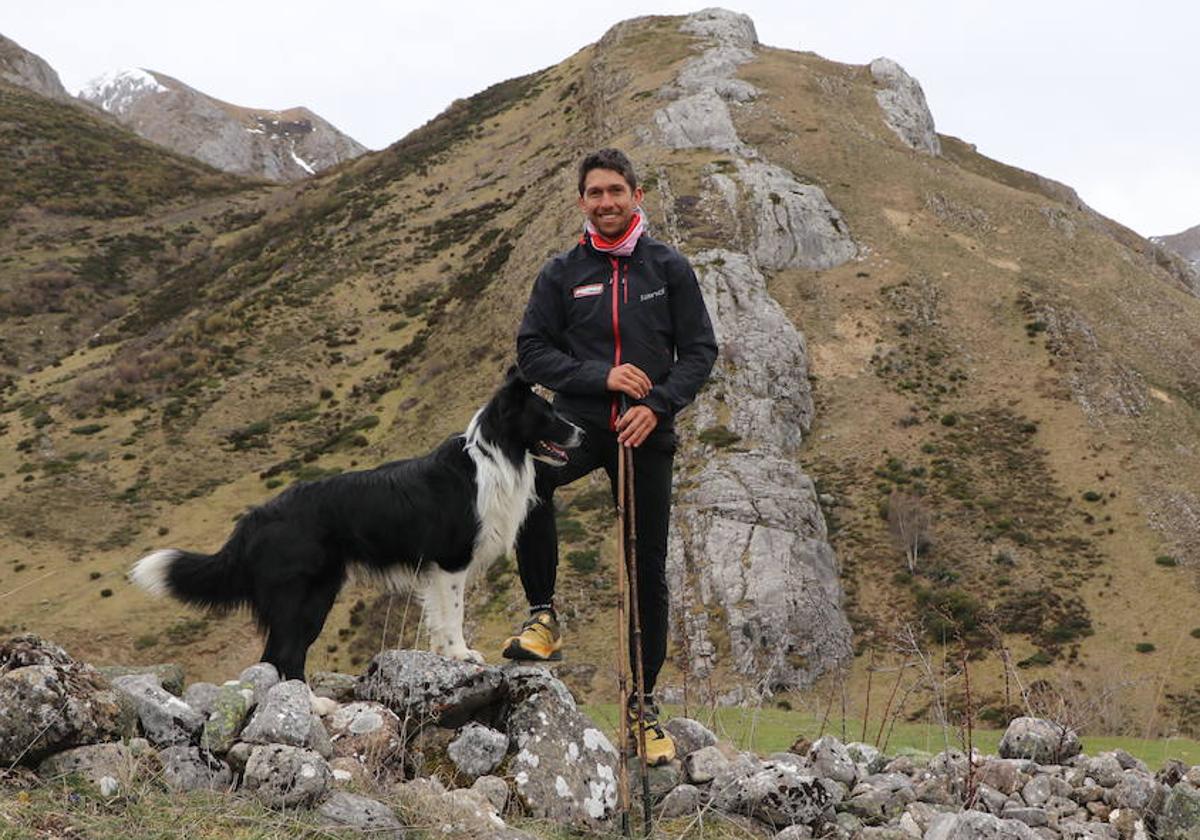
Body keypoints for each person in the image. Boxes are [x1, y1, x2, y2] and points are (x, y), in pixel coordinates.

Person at [503, 148, 718, 766]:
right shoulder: (561, 272)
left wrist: (660, 404)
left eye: (615, 191)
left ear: (636, 194)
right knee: (528, 481)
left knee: (645, 567)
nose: (605, 202)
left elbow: (700, 351)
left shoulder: (668, 267)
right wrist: (603, 377)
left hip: (647, 429)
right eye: (594, 193)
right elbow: (532, 352)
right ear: (581, 202)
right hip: (578, 420)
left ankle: (643, 711)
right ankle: (542, 617)